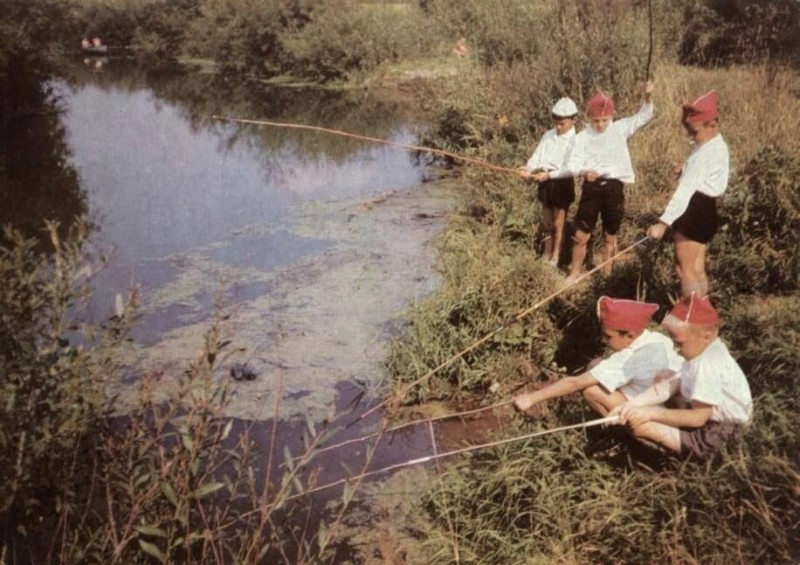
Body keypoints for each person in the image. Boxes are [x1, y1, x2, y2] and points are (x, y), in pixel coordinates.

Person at [611, 293, 752, 459]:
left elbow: (697, 418)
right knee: (667, 377)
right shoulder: (702, 350)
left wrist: (649, 413)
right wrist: (632, 405)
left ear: (706, 336)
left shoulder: (707, 365)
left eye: (680, 343)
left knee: (640, 426)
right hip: (713, 421)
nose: (675, 349)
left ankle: (673, 460)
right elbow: (672, 383)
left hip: (722, 433)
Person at [514, 296, 682, 415]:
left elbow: (575, 383)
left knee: (591, 390)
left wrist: (531, 398)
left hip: (655, 414)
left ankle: (625, 434)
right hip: (669, 401)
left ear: (630, 335)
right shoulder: (657, 339)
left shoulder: (627, 359)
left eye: (608, 336)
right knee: (596, 364)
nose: (603, 340)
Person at [563, 81, 655, 287]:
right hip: (591, 189)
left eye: (604, 120)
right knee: (580, 235)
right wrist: (584, 172)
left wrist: (648, 96)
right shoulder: (582, 137)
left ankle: (607, 276)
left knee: (610, 236)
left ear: (611, 117)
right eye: (596, 120)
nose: (600, 125)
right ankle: (574, 273)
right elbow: (573, 163)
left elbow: (644, 115)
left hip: (614, 189)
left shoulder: (620, 129)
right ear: (588, 118)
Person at [647, 91, 729, 298]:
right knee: (697, 268)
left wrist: (663, 224)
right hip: (707, 208)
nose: (691, 137)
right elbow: (707, 177)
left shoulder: (706, 152)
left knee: (684, 270)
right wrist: (685, 170)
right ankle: (703, 316)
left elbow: (684, 191)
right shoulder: (715, 144)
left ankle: (692, 319)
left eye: (694, 131)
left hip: (694, 210)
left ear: (713, 124)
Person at [518, 97, 579, 267]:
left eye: (562, 123)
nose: (558, 127)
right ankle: (546, 252)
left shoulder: (576, 140)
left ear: (573, 120)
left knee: (559, 223)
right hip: (544, 180)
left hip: (562, 182)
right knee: (547, 222)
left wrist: (550, 175)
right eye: (556, 123)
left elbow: (571, 168)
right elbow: (537, 156)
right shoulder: (548, 135)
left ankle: (556, 257)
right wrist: (528, 169)